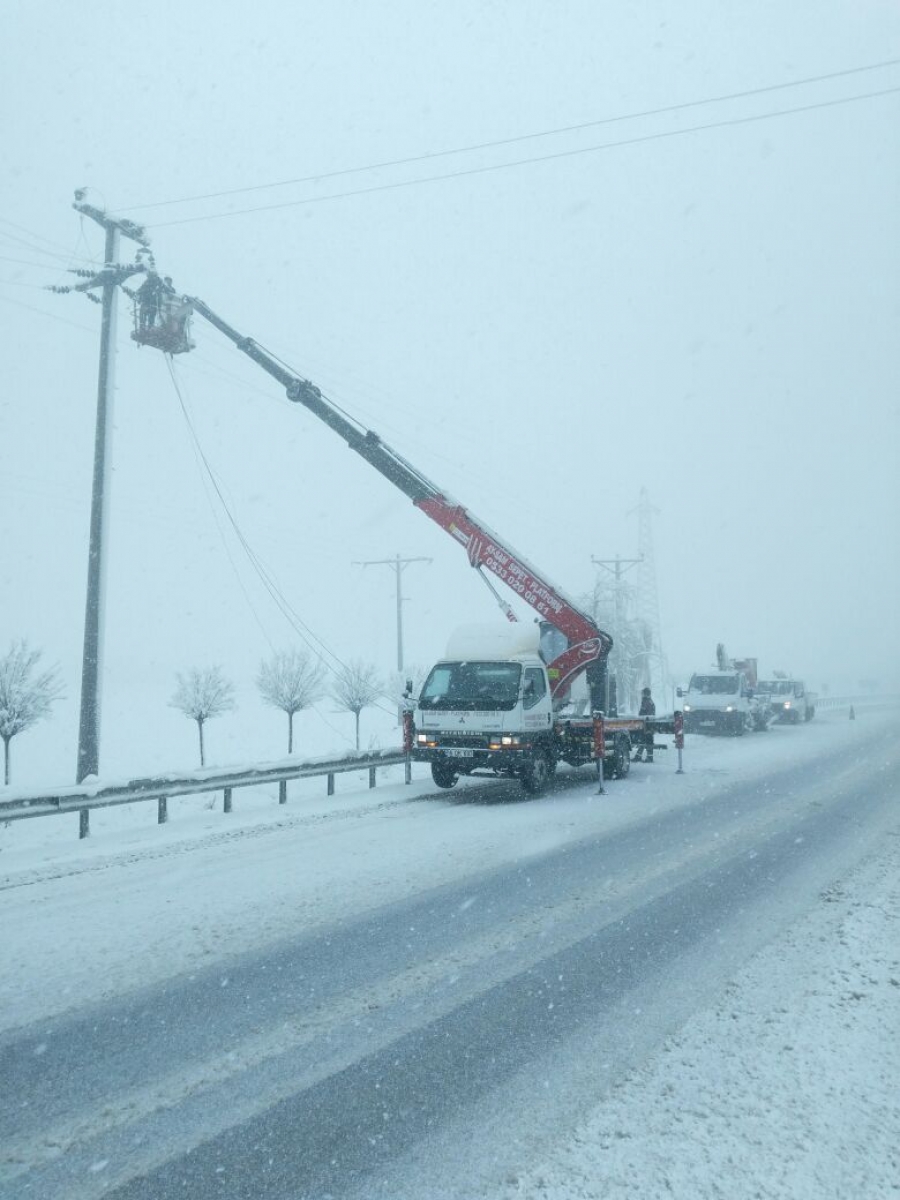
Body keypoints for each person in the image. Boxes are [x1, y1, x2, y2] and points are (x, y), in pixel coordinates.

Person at [633, 686, 656, 762]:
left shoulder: (647, 702)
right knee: (644, 741)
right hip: (648, 724)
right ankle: (640, 756)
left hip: (647, 725)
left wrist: (644, 722)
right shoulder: (648, 701)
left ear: (645, 694)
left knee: (646, 741)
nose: (642, 695)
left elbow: (644, 714)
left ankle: (648, 757)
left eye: (643, 693)